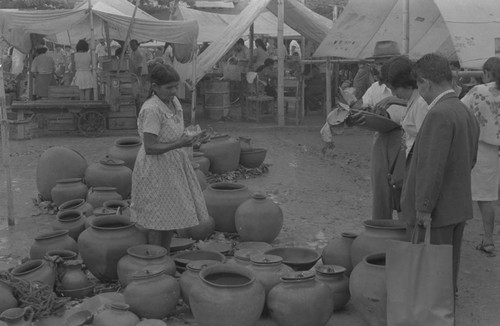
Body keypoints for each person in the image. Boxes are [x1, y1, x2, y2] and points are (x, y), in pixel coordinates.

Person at [401, 53, 479, 293]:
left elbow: (431, 167)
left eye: (418, 85)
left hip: (436, 210)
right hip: (457, 205)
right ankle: (445, 313)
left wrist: (424, 207)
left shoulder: (438, 114)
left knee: (430, 276)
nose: (419, 91)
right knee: (447, 271)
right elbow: (471, 159)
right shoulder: (463, 110)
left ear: (426, 82)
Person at [131, 64, 209, 252]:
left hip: (173, 165)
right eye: (169, 88)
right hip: (156, 168)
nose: (174, 91)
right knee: (157, 218)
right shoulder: (152, 109)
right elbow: (150, 147)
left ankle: (163, 255)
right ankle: (155, 259)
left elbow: (176, 134)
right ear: (155, 87)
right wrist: (180, 144)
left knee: (170, 216)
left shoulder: (173, 103)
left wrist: (192, 140)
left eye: (176, 86)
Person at [461, 57, 500, 255]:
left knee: (483, 196)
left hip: (481, 149)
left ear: (486, 73)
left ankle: (487, 239)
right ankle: (488, 240)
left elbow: (460, 110)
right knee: (489, 196)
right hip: (496, 150)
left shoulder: (479, 92)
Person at [130, 39, 150, 104]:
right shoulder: (133, 52)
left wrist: (137, 76)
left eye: (133, 45)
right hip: (138, 73)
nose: (132, 47)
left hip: (141, 73)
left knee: (141, 89)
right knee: (139, 89)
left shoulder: (139, 53)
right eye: (131, 45)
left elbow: (140, 66)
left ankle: (142, 103)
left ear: (137, 45)